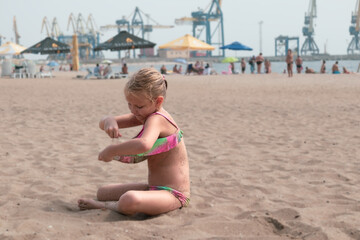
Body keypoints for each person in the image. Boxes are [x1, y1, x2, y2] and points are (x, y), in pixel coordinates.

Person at [78, 68, 190, 216]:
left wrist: (112, 150)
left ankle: (105, 206)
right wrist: (109, 122)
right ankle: (106, 201)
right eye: (129, 104)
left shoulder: (158, 119)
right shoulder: (145, 112)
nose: (134, 111)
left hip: (173, 195)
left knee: (129, 199)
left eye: (138, 106)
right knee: (102, 192)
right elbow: (103, 121)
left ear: (158, 101)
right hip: (152, 188)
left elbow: (144, 144)